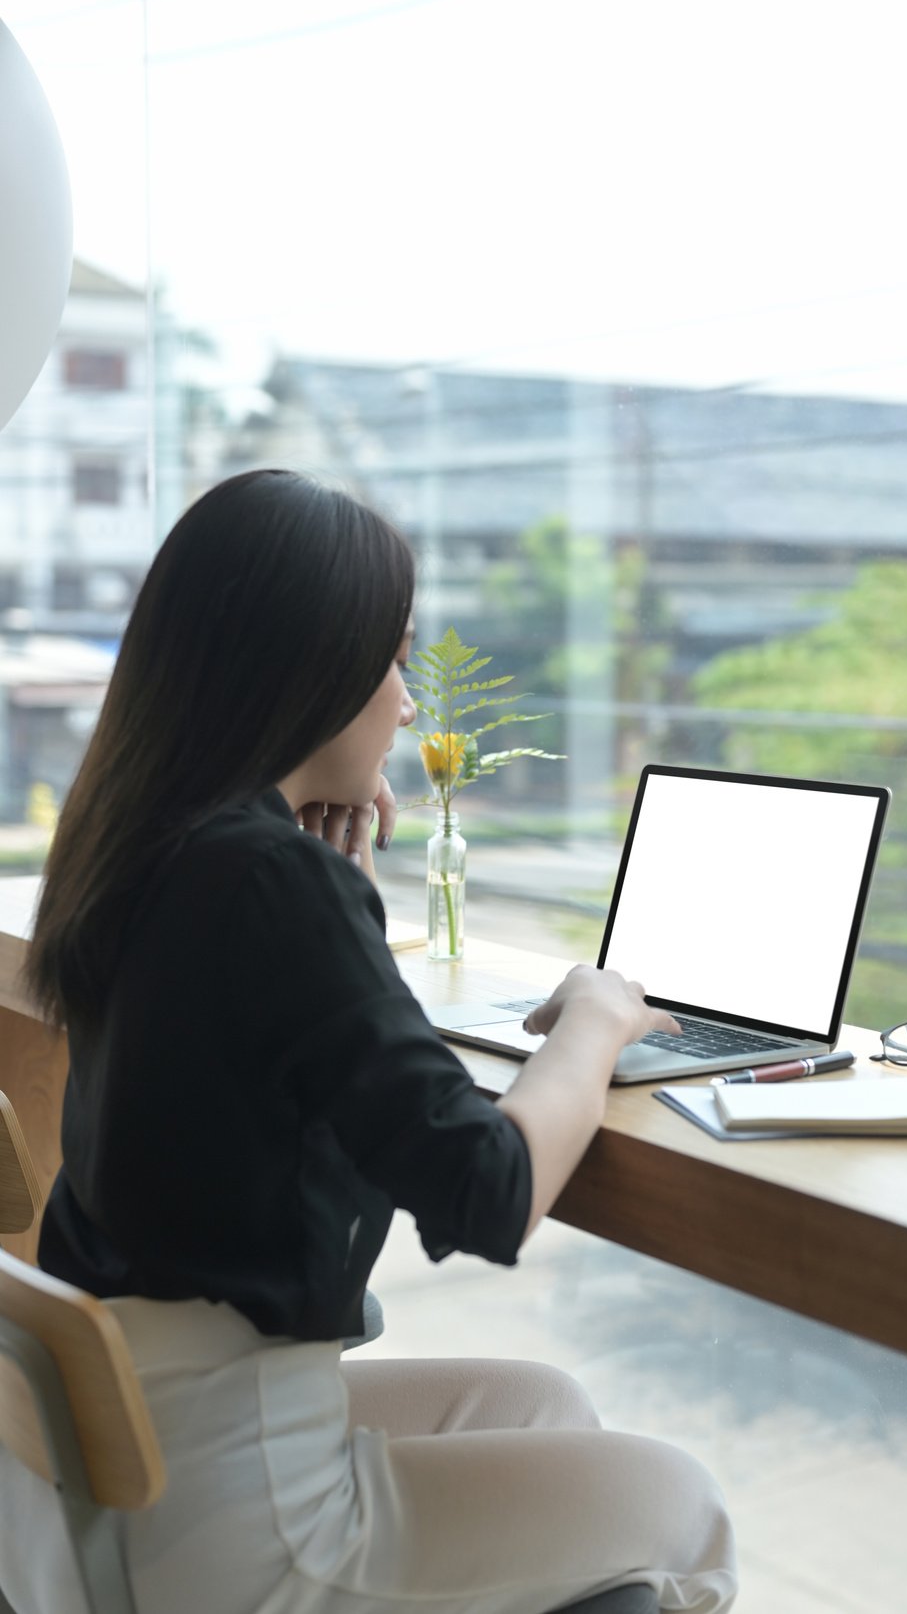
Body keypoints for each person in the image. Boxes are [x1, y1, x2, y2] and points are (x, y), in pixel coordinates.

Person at [0, 471, 736, 1614]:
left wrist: (340, 902)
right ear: (307, 668)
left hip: (132, 1449)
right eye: (391, 661)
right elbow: (487, 1189)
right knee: (686, 1509)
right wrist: (595, 1014)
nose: (406, 704)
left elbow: (278, 1060)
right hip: (244, 1518)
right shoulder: (262, 880)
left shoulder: (152, 844)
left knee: (542, 1403)